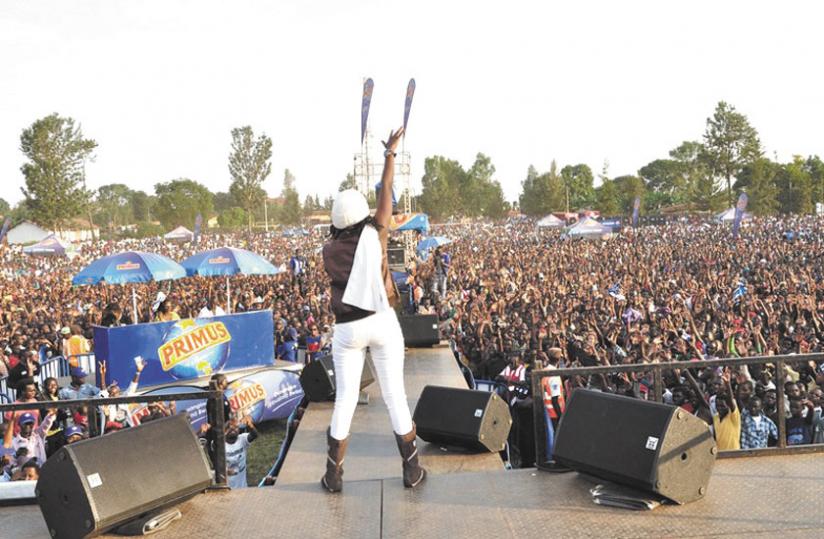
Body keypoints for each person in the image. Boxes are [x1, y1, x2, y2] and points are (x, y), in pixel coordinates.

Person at [320, 126, 425, 493]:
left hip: (346, 329)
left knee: (345, 399)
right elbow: (386, 191)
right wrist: (389, 154)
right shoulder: (375, 233)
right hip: (381, 322)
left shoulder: (329, 250)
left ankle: (333, 475)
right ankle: (412, 470)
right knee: (394, 395)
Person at [225, 416, 258, 489]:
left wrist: (250, 425)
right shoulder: (220, 444)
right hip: (227, 488)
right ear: (224, 431)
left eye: (236, 427)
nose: (233, 429)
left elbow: (254, 435)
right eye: (229, 428)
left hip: (243, 487)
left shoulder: (242, 439)